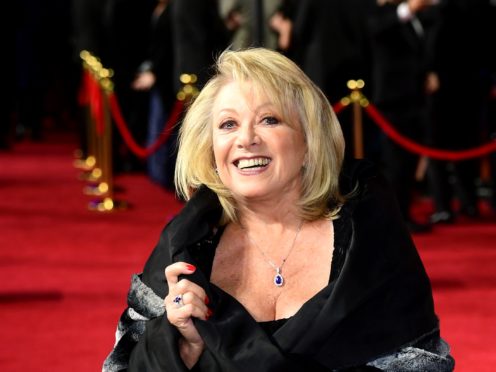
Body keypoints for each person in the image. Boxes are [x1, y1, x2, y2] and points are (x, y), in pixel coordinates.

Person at [103, 48, 454, 371]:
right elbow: (122, 364)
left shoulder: (369, 242)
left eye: (269, 120)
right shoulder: (183, 246)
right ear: (211, 149)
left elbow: (422, 361)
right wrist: (182, 348)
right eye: (228, 124)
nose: (246, 139)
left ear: (308, 141)